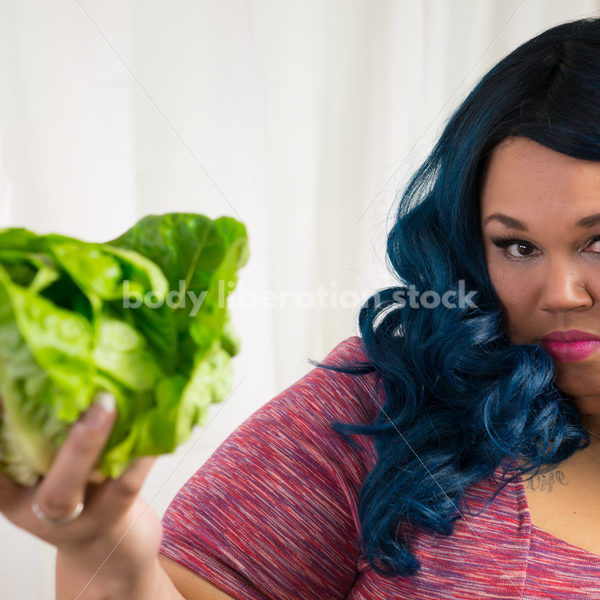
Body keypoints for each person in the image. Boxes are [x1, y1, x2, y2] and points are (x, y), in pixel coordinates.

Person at [3, 14, 600, 600]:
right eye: (517, 246)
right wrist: (110, 562)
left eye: (597, 243)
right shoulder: (386, 407)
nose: (560, 293)